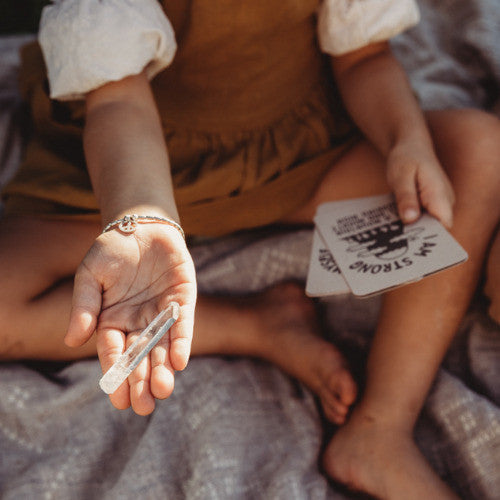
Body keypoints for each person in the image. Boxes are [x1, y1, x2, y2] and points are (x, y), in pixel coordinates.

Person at [1, 0, 499, 498]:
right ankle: (256, 324)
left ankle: (381, 426)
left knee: (478, 153)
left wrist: (404, 140)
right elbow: (118, 104)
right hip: (136, 170)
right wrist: (144, 215)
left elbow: (364, 58)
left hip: (299, 154)